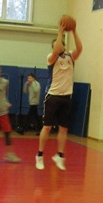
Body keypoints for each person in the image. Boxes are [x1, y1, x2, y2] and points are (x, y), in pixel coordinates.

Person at [35, 20, 83, 171]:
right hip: (53, 96)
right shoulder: (51, 57)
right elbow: (56, 49)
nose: (59, 45)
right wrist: (60, 31)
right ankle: (40, 155)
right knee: (47, 127)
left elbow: (80, 48)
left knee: (63, 129)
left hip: (66, 96)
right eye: (56, 44)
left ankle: (60, 156)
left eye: (61, 43)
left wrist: (74, 31)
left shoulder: (70, 57)